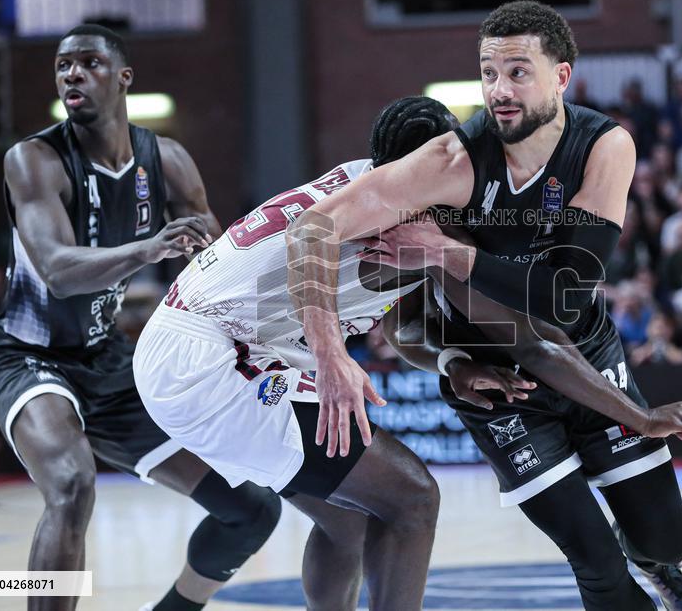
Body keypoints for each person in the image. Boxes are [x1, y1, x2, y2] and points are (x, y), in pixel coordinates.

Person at [287, 0, 682, 610]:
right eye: (489, 73)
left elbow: (562, 306)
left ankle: (660, 563)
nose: (499, 89)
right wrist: (451, 364)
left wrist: (451, 256)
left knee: (664, 539)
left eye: (517, 72)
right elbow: (397, 319)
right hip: (499, 390)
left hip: (583, 353)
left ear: (560, 77)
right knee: (592, 560)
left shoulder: (599, 146)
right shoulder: (427, 188)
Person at [0, 25, 283, 611]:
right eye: (63, 65)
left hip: (108, 361)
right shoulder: (34, 159)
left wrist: (280, 315)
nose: (72, 75)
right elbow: (59, 271)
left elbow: (220, 265)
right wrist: (146, 251)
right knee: (70, 483)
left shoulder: (165, 160)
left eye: (89, 63)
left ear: (124, 77)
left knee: (251, 510)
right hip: (23, 355)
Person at [133, 97, 475, 611]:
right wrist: (331, 354)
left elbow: (401, 324)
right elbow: (306, 242)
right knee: (412, 496)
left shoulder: (363, 182)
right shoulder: (389, 219)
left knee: (349, 519)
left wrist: (451, 361)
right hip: (212, 360)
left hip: (198, 344)